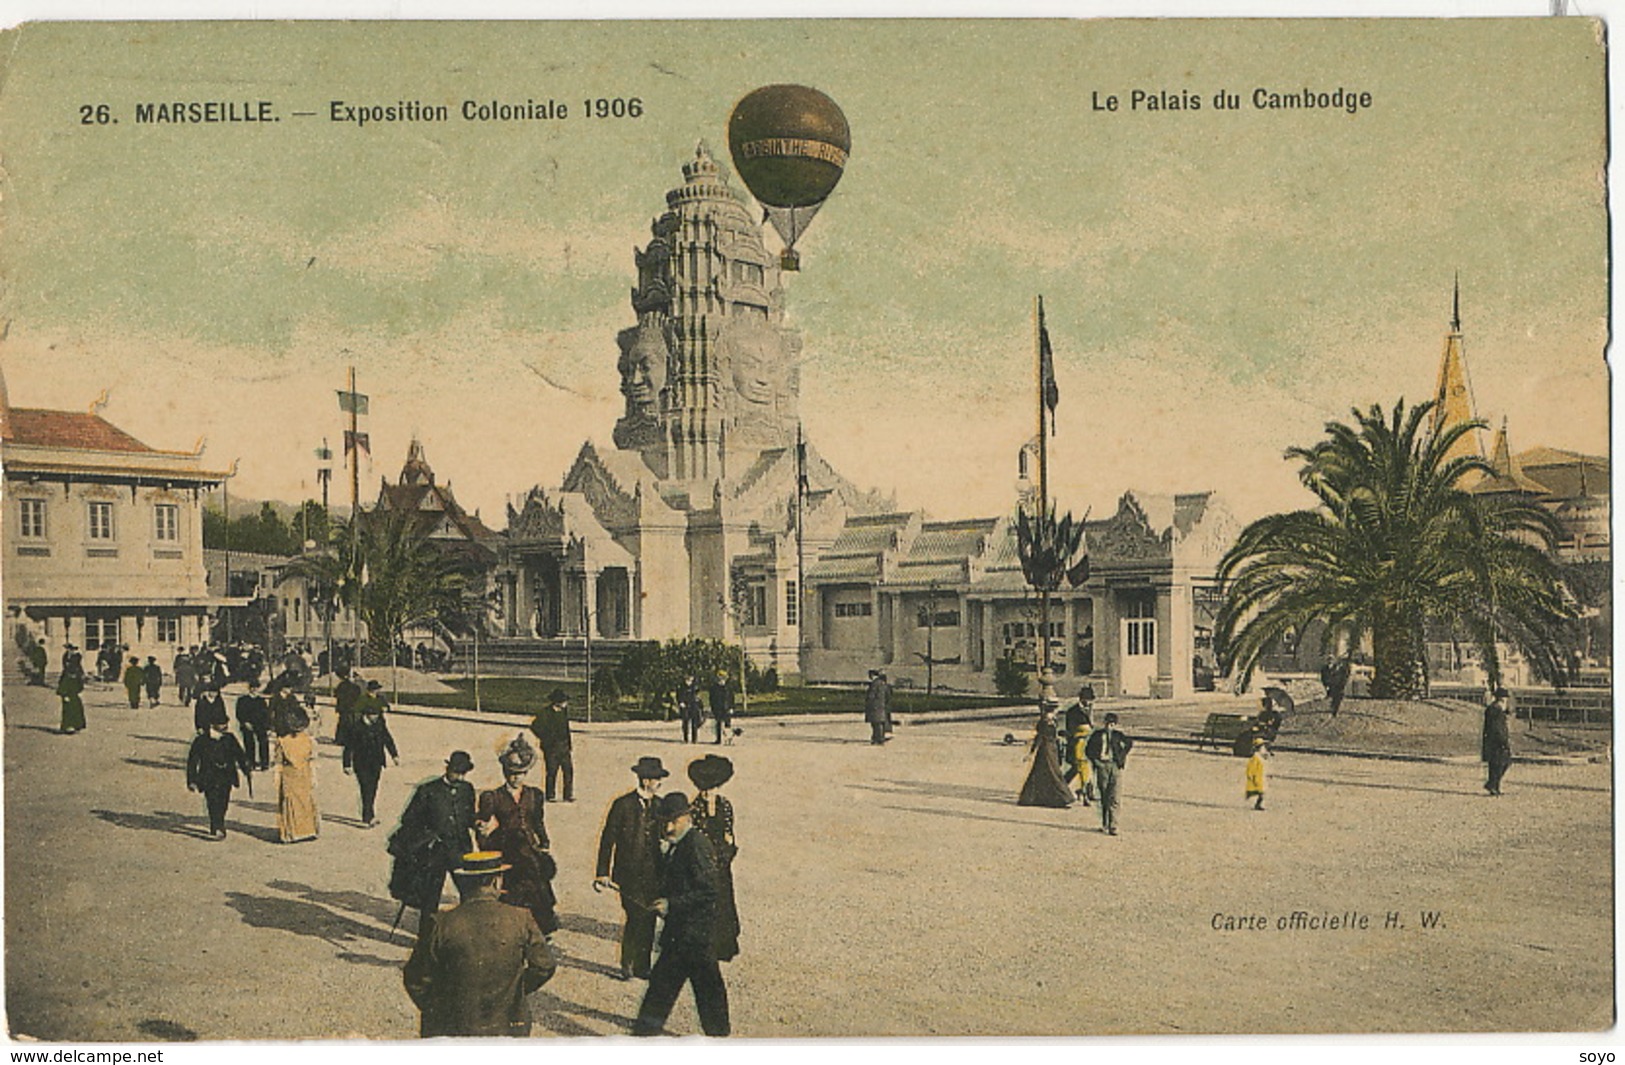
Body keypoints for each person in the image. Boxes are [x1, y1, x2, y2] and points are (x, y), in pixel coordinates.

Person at [402, 851, 557, 1037]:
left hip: (452, 1028)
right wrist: (514, 990)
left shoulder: (441, 923)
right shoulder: (521, 918)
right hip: (507, 1025)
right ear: (496, 881)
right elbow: (544, 966)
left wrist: (441, 1008)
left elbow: (415, 978)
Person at [632, 791, 731, 1037]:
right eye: (665, 821)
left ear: (686, 818)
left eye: (673, 821)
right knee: (667, 989)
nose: (667, 827)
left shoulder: (696, 845)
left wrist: (671, 905)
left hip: (695, 935)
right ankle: (644, 1036)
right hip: (682, 934)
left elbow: (709, 892)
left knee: (703, 989)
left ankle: (719, 1040)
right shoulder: (680, 844)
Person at [389, 751, 478, 940]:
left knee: (469, 893)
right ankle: (426, 937)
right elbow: (409, 820)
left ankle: (468, 935)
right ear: (448, 769)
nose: (460, 777)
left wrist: (477, 823)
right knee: (430, 897)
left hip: (460, 849)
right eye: (457, 772)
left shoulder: (467, 789)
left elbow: (469, 816)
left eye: (463, 773)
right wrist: (428, 836)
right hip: (435, 852)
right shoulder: (428, 790)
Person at [476, 735, 559, 937]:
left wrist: (545, 842)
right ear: (505, 773)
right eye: (512, 774)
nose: (516, 778)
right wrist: (483, 839)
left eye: (521, 774)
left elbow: (538, 822)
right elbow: (481, 823)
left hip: (529, 846)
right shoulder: (493, 797)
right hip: (506, 846)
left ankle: (541, 927)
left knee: (538, 881)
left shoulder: (535, 795)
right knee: (517, 885)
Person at [594, 756, 668, 980]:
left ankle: (643, 967)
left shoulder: (660, 805)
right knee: (636, 915)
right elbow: (608, 839)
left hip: (654, 873)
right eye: (656, 779)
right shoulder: (623, 805)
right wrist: (602, 872)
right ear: (645, 780)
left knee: (650, 916)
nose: (659, 784)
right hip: (629, 874)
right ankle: (628, 963)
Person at [688, 754, 740, 963]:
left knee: (723, 900)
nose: (709, 793)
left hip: (721, 861)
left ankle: (723, 943)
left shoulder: (725, 805)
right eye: (706, 789)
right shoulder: (694, 807)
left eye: (713, 788)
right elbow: (695, 836)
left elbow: (729, 832)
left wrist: (727, 852)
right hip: (702, 861)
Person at [187, 713, 254, 839]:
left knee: (224, 801)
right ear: (213, 725)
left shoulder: (229, 738)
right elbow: (193, 761)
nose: (225, 726)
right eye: (222, 724)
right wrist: (192, 780)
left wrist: (246, 768)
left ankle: (220, 822)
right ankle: (216, 825)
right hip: (208, 776)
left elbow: (239, 754)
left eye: (226, 724)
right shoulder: (201, 740)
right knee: (212, 801)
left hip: (226, 775)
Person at [343, 701, 399, 826]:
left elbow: (388, 739)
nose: (377, 717)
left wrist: (394, 755)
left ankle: (369, 813)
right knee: (365, 788)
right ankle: (367, 816)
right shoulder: (356, 727)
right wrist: (347, 764)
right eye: (374, 715)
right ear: (367, 715)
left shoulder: (379, 724)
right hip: (361, 763)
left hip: (377, 761)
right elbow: (348, 747)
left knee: (373, 788)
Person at [275, 704, 320, 844]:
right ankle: (308, 830)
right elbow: (312, 759)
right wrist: (314, 776)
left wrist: (277, 778)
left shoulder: (282, 741)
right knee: (305, 801)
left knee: (291, 802)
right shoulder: (308, 740)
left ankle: (292, 832)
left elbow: (278, 762)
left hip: (289, 774)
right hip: (304, 773)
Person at [1084, 712, 1134, 835]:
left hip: (1115, 766)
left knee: (1115, 796)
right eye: (1107, 724)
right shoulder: (1097, 735)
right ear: (1104, 723)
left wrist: (1121, 757)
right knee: (1104, 796)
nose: (1109, 727)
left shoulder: (1118, 735)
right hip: (1102, 766)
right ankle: (1105, 823)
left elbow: (1129, 743)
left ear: (1115, 725)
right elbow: (1088, 750)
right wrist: (1096, 762)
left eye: (1111, 724)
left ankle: (1114, 825)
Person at [1018, 701, 1074, 808]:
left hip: (1051, 748)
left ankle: (1041, 798)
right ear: (1051, 710)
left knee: (1044, 772)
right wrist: (1031, 752)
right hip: (1047, 750)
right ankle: (1061, 798)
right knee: (1053, 772)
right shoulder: (1046, 722)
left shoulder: (1052, 720)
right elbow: (1039, 738)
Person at [528, 689, 574, 803]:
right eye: (564, 701)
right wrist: (546, 738)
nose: (566, 703)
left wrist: (569, 744)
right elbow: (534, 727)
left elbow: (566, 729)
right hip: (551, 748)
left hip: (564, 747)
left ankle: (568, 795)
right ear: (557, 702)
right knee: (552, 771)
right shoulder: (545, 713)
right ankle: (550, 794)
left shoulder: (564, 712)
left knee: (568, 771)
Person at [1062, 685, 1095, 804]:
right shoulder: (1072, 712)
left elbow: (1092, 725)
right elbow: (1070, 730)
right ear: (1081, 699)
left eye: (1091, 700)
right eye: (1087, 699)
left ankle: (1084, 790)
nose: (1089, 702)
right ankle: (1083, 791)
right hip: (1076, 744)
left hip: (1086, 743)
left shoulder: (1090, 710)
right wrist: (1081, 732)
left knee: (1083, 768)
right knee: (1080, 767)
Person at [1482, 687, 1513, 796]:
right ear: (1501, 698)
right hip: (1497, 741)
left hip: (1494, 740)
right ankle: (1492, 785)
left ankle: (1494, 786)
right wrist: (1503, 740)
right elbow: (1497, 727)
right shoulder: (1495, 709)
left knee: (1498, 764)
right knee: (1500, 763)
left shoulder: (1496, 709)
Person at [236, 681, 272, 771]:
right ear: (249, 688)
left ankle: (264, 762)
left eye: (256, 688)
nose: (254, 690)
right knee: (249, 742)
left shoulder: (261, 701)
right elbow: (239, 713)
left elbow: (266, 715)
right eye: (252, 688)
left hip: (260, 724)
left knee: (263, 741)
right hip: (247, 724)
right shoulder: (243, 700)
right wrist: (245, 722)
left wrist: (267, 727)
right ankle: (250, 762)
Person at [333, 669, 364, 746]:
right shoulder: (356, 687)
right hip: (352, 708)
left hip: (344, 708)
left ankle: (340, 739)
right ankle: (349, 739)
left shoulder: (341, 685)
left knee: (343, 723)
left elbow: (336, 695)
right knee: (351, 723)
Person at [863, 668, 892, 745]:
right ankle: (880, 737)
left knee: (875, 723)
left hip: (874, 706)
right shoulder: (884, 684)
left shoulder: (874, 684)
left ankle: (877, 739)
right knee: (880, 722)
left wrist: (868, 703)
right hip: (882, 705)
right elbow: (888, 695)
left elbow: (871, 696)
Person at [57, 665, 86, 734]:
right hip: (68, 695)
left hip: (74, 695)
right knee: (68, 711)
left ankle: (77, 725)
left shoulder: (77, 674)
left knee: (77, 710)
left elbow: (80, 684)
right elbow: (62, 684)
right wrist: (64, 695)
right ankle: (68, 726)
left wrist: (78, 690)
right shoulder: (66, 674)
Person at [708, 671, 734, 745]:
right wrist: (712, 707)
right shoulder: (714, 688)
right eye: (720, 678)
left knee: (727, 724)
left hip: (727, 708)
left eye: (723, 678)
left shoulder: (729, 688)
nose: (722, 680)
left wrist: (731, 707)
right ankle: (718, 739)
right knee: (718, 724)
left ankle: (728, 739)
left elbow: (731, 698)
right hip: (718, 708)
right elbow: (711, 699)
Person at [1245, 737, 1269, 811]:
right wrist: (1251, 776)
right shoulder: (1256, 757)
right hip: (1258, 777)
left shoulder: (1260, 756)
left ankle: (1258, 803)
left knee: (1262, 791)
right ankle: (1258, 804)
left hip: (1261, 776)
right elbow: (1251, 768)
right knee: (1262, 792)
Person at [678, 674, 704, 744]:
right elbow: (679, 696)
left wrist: (699, 704)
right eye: (687, 680)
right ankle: (686, 738)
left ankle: (694, 739)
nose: (689, 681)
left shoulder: (695, 687)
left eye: (690, 680)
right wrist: (681, 702)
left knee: (694, 723)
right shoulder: (681, 687)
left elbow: (698, 697)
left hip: (693, 706)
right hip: (685, 706)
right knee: (685, 722)